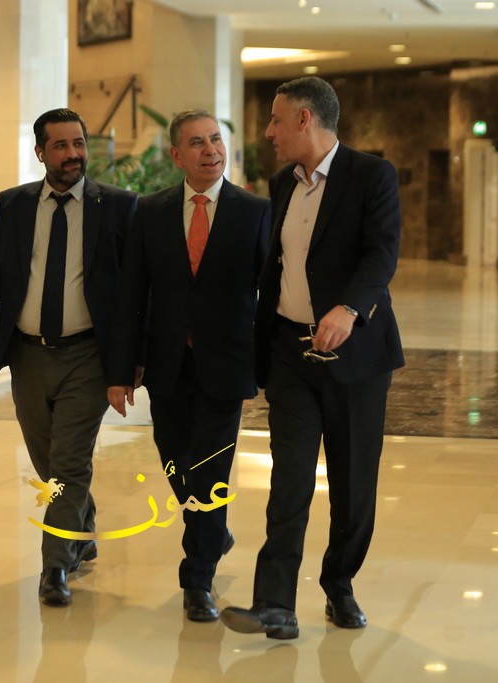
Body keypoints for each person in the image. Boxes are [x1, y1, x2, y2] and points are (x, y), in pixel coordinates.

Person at [220, 76, 404, 639]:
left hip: (356, 357)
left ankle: (339, 583)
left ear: (305, 119)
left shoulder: (371, 175)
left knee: (352, 486)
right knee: (290, 481)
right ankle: (275, 603)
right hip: (289, 353)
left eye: (276, 120)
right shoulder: (283, 184)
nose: (268, 132)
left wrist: (349, 308)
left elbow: (381, 254)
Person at [0, 108, 137, 606]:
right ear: (40, 152)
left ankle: (55, 566)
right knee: (49, 462)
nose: (73, 154)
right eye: (61, 145)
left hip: (89, 354)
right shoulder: (15, 204)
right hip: (29, 355)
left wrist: (131, 360)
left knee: (68, 463)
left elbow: (136, 289)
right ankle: (81, 524)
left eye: (79, 143)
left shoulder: (118, 206)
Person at [107, 110, 268, 622]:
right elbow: (133, 293)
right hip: (167, 362)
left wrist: (270, 361)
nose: (211, 149)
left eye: (215, 139)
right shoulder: (150, 211)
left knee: (210, 468)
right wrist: (123, 367)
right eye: (197, 142)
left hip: (227, 362)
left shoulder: (254, 211)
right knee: (175, 459)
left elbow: (270, 294)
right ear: (176, 155)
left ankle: (197, 577)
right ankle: (212, 533)